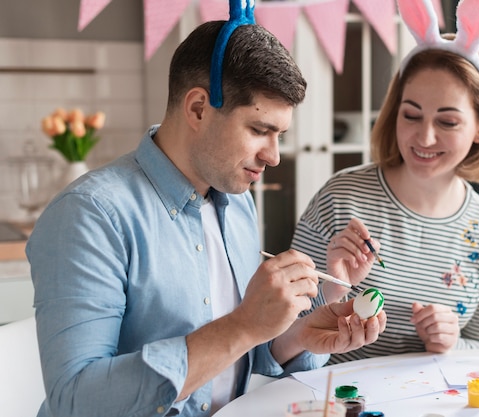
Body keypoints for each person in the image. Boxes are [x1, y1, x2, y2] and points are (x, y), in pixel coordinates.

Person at [26, 3, 386, 416]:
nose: (274, 156)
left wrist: (298, 336)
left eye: (279, 135)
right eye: (258, 130)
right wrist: (245, 324)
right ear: (198, 108)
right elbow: (76, 401)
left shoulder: (237, 204)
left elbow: (234, 359)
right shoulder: (90, 216)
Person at [291, 0, 479, 363]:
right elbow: (280, 344)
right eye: (411, 115)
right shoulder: (341, 200)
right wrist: (333, 291)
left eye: (447, 122)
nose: (424, 138)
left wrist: (451, 343)